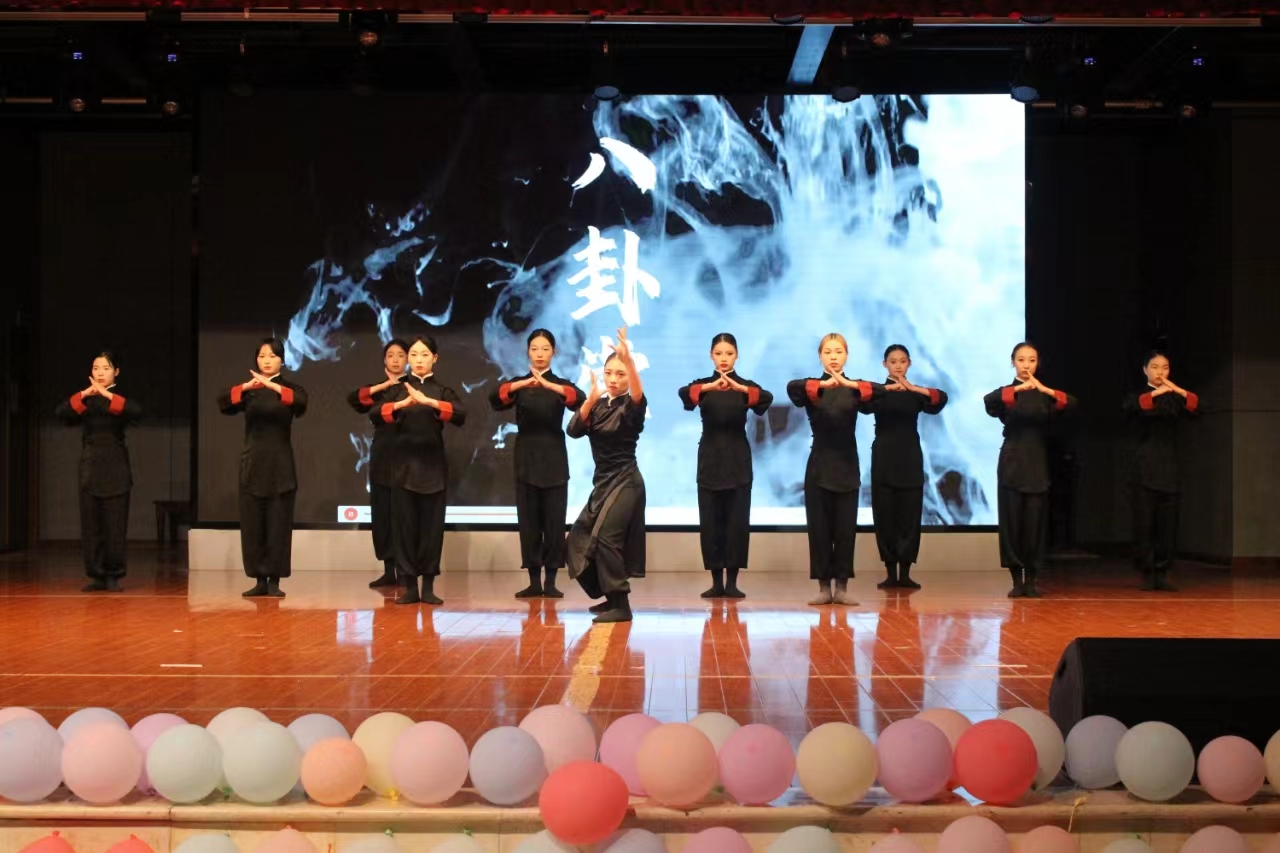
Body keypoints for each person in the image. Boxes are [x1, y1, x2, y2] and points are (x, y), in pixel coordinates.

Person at [786, 333, 883, 607]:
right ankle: (822, 587)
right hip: (819, 466)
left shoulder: (854, 389)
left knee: (844, 531)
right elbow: (792, 388)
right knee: (819, 531)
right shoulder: (812, 389)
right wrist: (824, 384)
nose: (833, 357)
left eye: (838, 352)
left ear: (846, 356)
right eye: (828, 352)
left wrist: (848, 383)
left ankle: (841, 587)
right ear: (820, 356)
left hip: (847, 466)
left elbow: (881, 393)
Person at [489, 329, 584, 599]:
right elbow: (495, 399)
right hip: (526, 460)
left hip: (554, 460)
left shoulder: (560, 385)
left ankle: (551, 581)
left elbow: (579, 400)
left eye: (545, 349)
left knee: (554, 524)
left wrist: (550, 387)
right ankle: (533, 580)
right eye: (534, 349)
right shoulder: (519, 385)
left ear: (554, 352)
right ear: (528, 352)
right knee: (529, 523)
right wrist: (520, 385)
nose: (540, 354)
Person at [678, 332, 773, 599]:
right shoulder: (703, 386)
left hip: (738, 461)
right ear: (711, 356)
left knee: (736, 523)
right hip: (709, 460)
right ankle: (715, 582)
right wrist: (710, 387)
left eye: (729, 354)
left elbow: (766, 398)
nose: (723, 358)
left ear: (737, 356)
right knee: (711, 523)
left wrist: (739, 389)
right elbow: (684, 394)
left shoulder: (745, 387)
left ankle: (732, 582)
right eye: (719, 354)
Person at [983, 341, 1077, 599]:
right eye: (1021, 360)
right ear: (1013, 362)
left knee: (1035, 524)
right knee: (1012, 522)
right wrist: (1018, 388)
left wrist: (1043, 388)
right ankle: (1016, 579)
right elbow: (989, 401)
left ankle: (1033, 578)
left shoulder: (1045, 394)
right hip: (1012, 459)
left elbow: (1071, 403)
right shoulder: (1007, 393)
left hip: (1037, 461)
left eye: (1032, 360)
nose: (1026, 365)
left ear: (1038, 363)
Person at [566, 327, 647, 624]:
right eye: (609, 373)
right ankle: (609, 596)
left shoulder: (631, 407)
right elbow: (573, 430)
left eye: (620, 374)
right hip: (602, 484)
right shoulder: (599, 405)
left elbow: (638, 395)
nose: (614, 379)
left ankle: (621, 604)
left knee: (606, 539)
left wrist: (630, 361)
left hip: (626, 481)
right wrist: (590, 400)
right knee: (577, 538)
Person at [378, 335, 466, 605]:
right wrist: (403, 404)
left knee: (431, 529)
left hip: (433, 467)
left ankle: (428, 586)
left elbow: (460, 415)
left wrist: (429, 402)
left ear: (434, 358)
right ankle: (409, 587)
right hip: (403, 468)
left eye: (424, 354)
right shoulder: (398, 389)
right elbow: (375, 415)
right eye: (414, 355)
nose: (418, 360)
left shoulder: (442, 390)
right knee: (405, 529)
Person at [218, 338, 308, 598]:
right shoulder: (250, 391)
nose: (266, 361)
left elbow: (300, 403)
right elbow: (223, 403)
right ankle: (259, 579)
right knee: (253, 524)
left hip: (280, 464)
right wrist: (248, 386)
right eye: (262, 356)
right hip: (253, 463)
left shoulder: (291, 389)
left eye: (272, 356)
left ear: (282, 360)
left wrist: (272, 385)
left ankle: (275, 580)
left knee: (278, 524)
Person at [862, 345, 948, 590]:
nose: (898, 366)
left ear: (909, 363)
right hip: (883, 459)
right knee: (885, 517)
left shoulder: (915, 393)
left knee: (909, 517)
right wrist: (887, 388)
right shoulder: (878, 393)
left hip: (910, 459)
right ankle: (890, 572)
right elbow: (860, 401)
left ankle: (906, 573)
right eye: (893, 361)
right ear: (885, 365)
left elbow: (941, 399)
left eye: (902, 361)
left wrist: (914, 388)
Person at [56, 351, 142, 593]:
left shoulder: (118, 399)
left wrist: (106, 394)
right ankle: (97, 574)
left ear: (116, 372)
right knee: (91, 525)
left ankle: (114, 574)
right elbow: (61, 413)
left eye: (105, 368)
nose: (100, 372)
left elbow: (136, 412)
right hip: (90, 467)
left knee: (114, 524)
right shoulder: (87, 401)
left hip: (116, 467)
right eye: (96, 368)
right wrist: (85, 394)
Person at [1123, 350, 1199, 592]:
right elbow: (1135, 408)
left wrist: (1177, 391)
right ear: (1145, 369)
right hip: (1143, 468)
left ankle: (1163, 571)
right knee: (1144, 524)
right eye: (1155, 367)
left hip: (1169, 467)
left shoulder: (1174, 398)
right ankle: (1147, 572)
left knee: (1168, 525)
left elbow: (1198, 408)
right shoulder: (1137, 396)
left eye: (1165, 367)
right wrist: (1158, 393)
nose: (1160, 372)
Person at [348, 338, 409, 589]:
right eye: (391, 355)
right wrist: (384, 385)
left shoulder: (414, 388)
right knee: (382, 514)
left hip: (407, 458)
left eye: (400, 355)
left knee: (403, 515)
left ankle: (406, 571)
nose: (395, 360)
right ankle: (388, 570)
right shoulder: (378, 389)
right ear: (384, 360)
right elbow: (354, 399)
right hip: (382, 457)